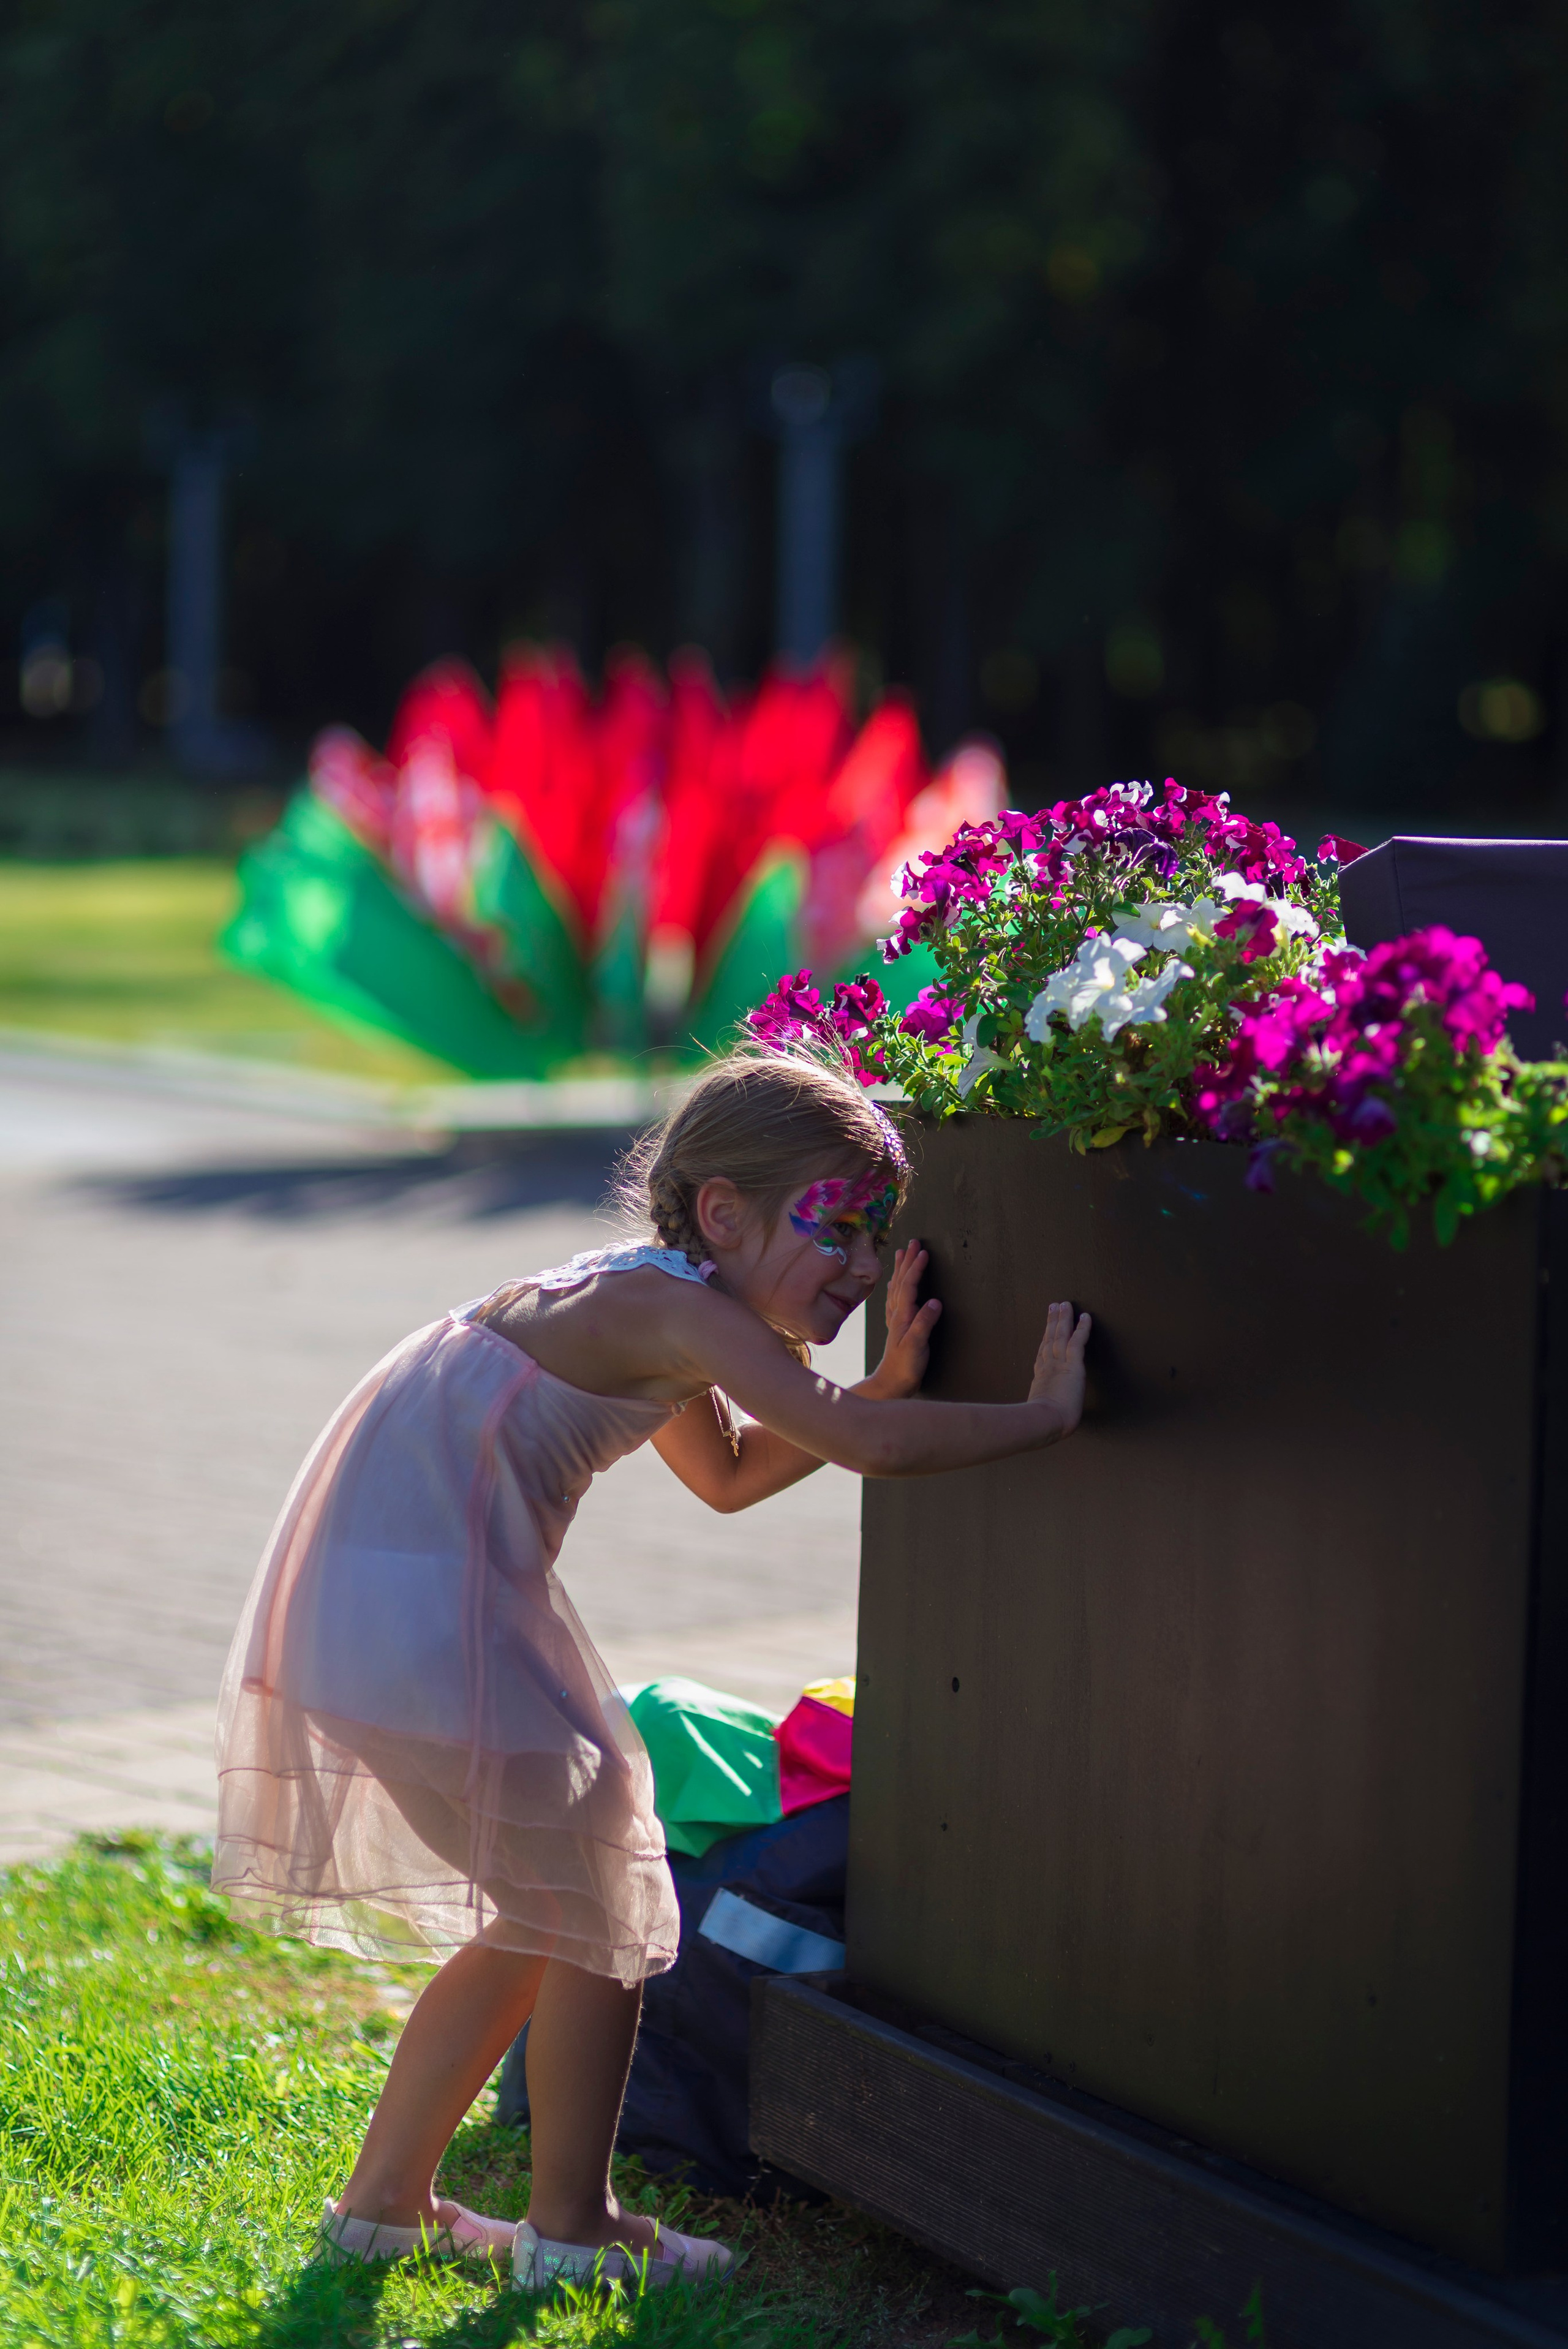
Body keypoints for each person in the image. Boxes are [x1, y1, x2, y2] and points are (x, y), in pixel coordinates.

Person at [211, 1047, 1091, 2291]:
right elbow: (862, 1443)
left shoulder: (648, 1293)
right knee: (604, 1897)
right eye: (833, 1229)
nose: (856, 1266)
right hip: (428, 1607)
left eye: (874, 1234)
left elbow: (731, 1475)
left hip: (380, 1598)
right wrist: (1040, 1416)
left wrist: (872, 1384)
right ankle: (571, 2228)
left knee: (546, 1908)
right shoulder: (678, 1311)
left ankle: (382, 2207)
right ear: (723, 1211)